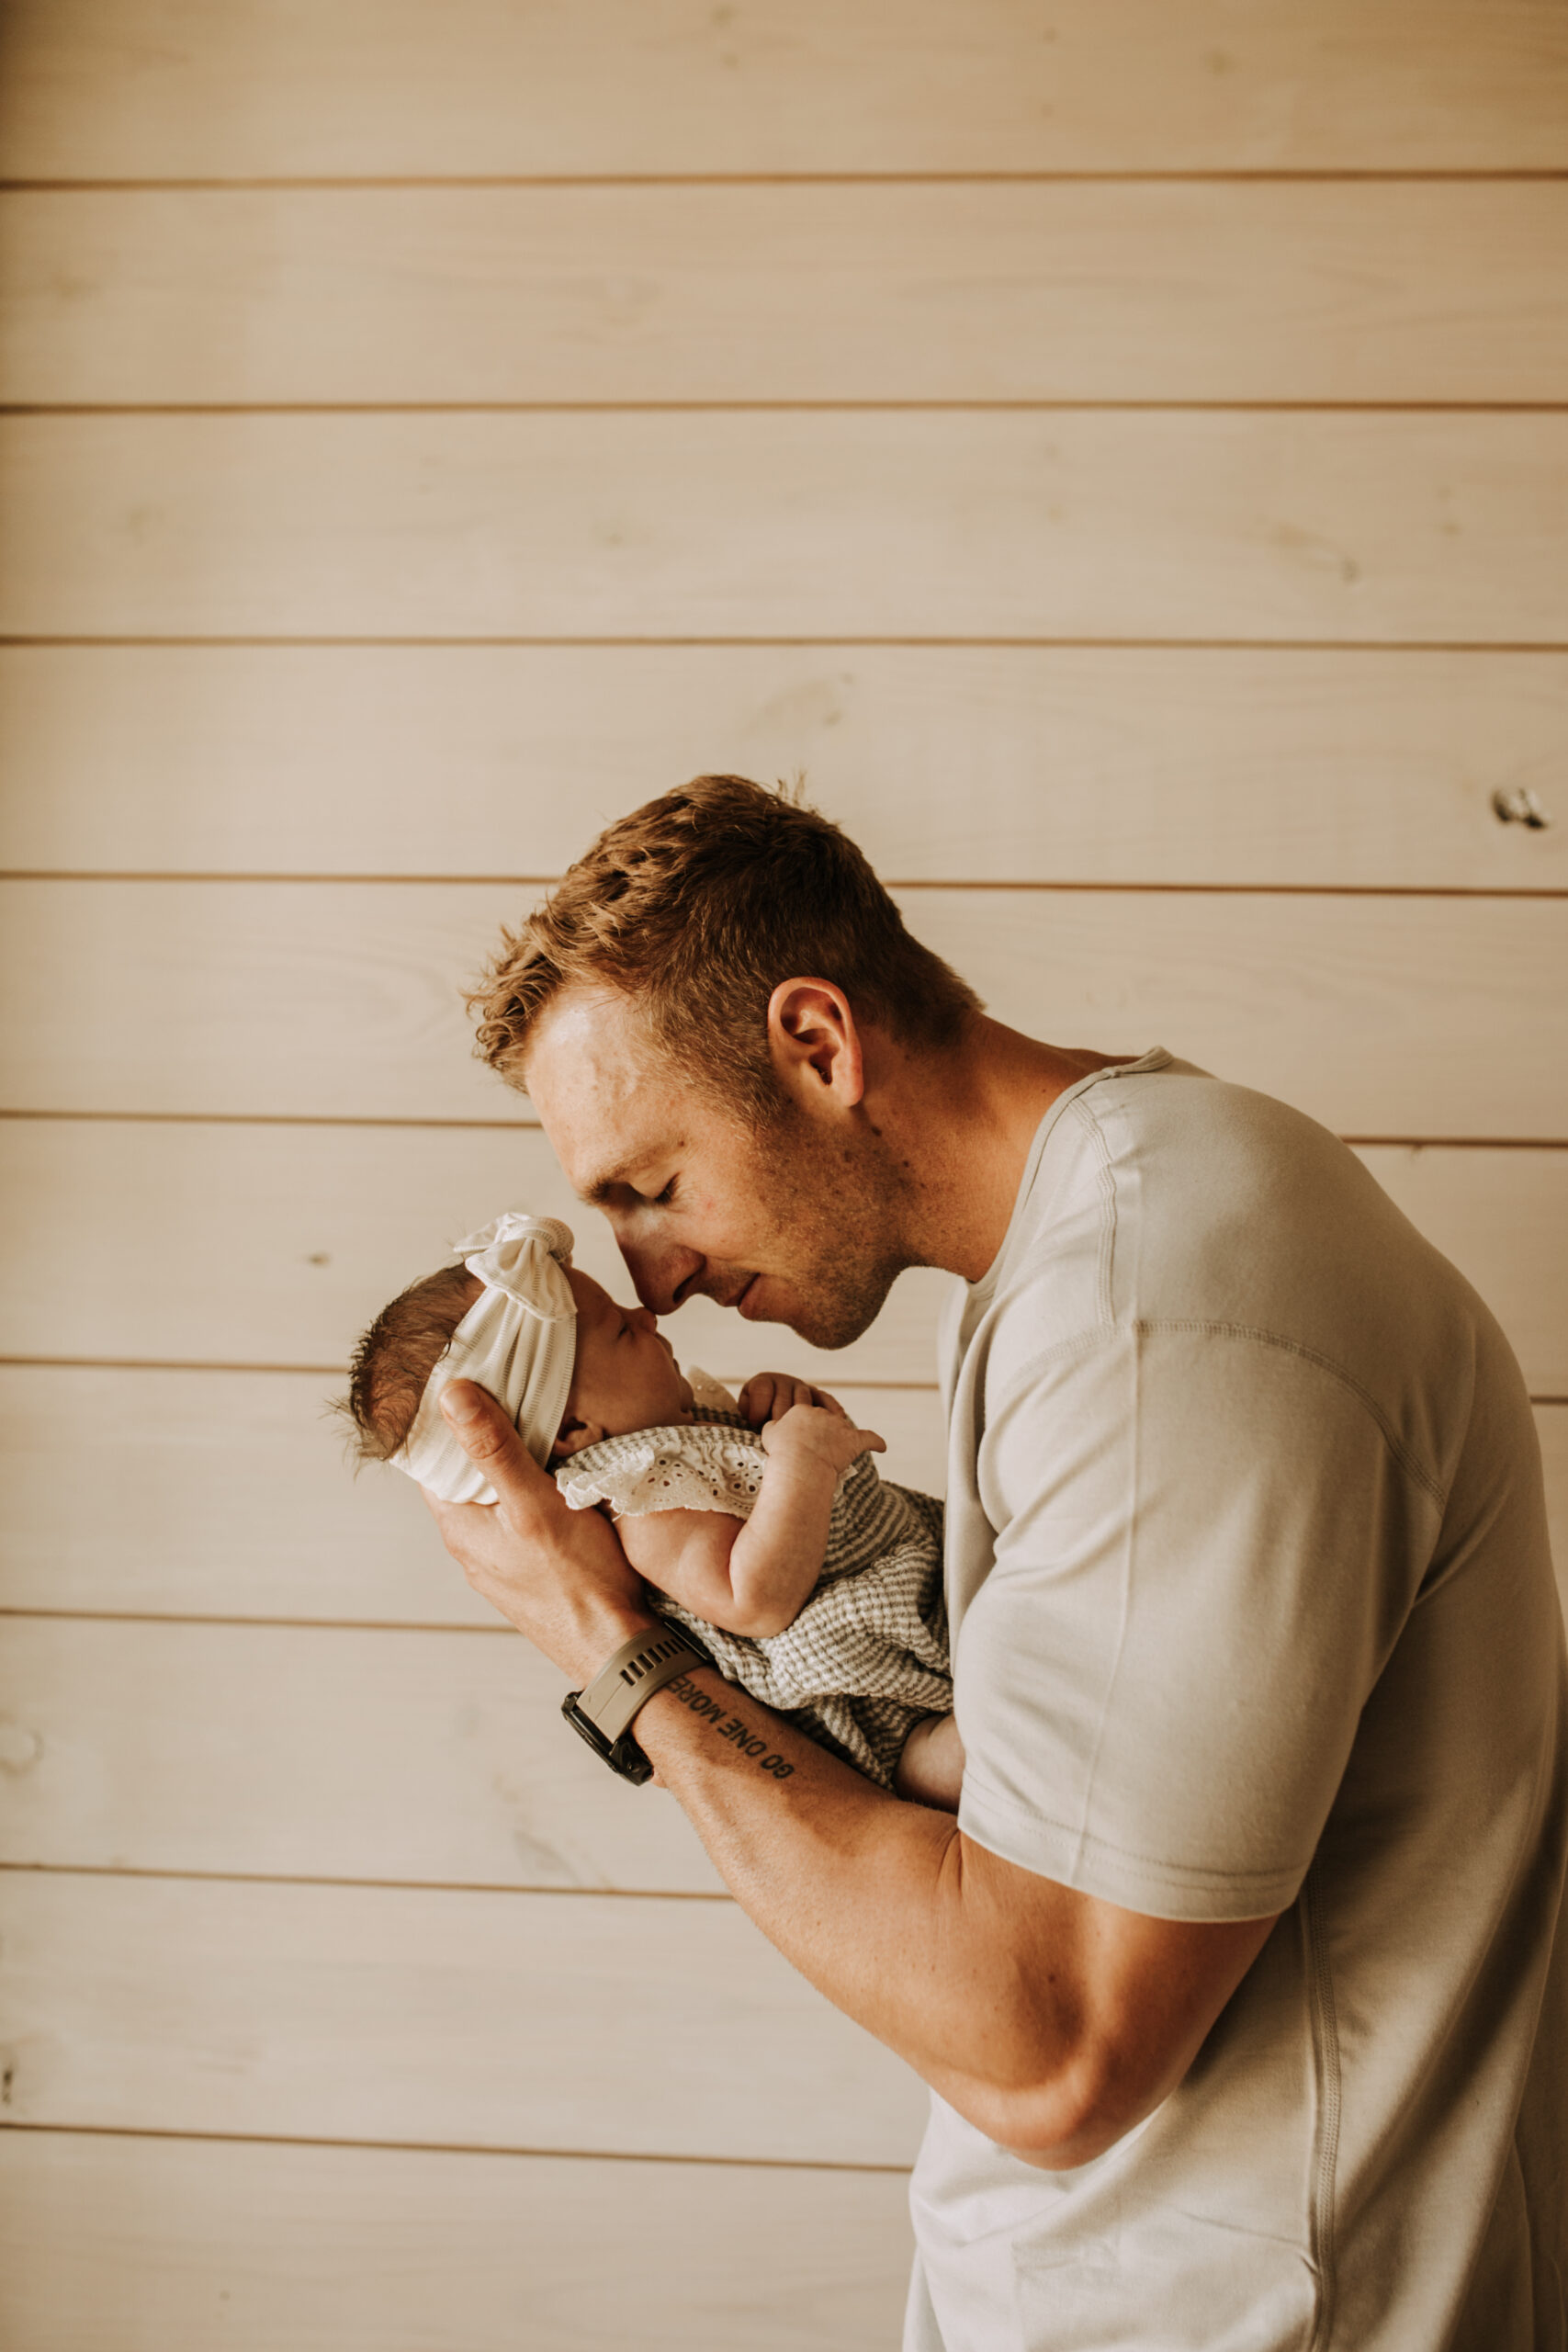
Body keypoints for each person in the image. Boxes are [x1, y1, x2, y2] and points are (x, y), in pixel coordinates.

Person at [423, 775, 1567, 2349]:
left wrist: (617, 1656)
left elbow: (1051, 2048)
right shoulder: (1087, 1263)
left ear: (816, 1047)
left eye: (653, 1186)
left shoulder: (1162, 1314)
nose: (655, 1278)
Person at [344, 1207, 956, 1793]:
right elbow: (754, 1601)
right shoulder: (644, 1505)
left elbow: (791, 1507)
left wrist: (783, 1415)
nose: (645, 1316)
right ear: (571, 1432)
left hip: (918, 1597)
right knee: (960, 1756)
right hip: (884, 1707)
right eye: (618, 1329)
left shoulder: (681, 1437)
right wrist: (803, 1462)